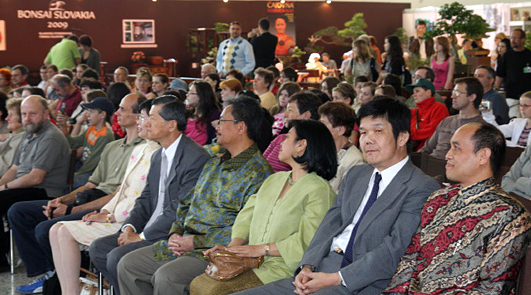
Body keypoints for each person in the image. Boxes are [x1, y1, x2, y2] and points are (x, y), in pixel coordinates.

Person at [234, 97, 439, 295]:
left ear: (402, 137)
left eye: (378, 131)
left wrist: (336, 278)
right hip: (321, 268)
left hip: (361, 281)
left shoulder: (420, 187)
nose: (368, 140)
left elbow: (394, 249)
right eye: (364, 132)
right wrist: (307, 266)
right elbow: (329, 225)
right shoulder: (357, 175)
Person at [116, 97, 274, 295]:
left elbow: (248, 229)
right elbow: (185, 203)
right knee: (129, 264)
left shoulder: (258, 173)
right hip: (182, 242)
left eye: (222, 121)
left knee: (167, 277)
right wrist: (175, 233)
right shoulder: (214, 163)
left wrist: (194, 242)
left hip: (211, 251)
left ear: (241, 127)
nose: (215, 126)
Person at [9, 93, 146, 293]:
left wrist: (72, 208)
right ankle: (48, 273)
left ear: (138, 116)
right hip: (92, 196)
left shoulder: (144, 150)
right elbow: (91, 184)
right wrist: (61, 200)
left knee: (46, 229)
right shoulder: (112, 146)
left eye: (123, 109)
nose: (116, 113)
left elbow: (119, 194)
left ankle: (64, 279)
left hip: (108, 204)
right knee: (19, 211)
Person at [190, 120, 338, 295]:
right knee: (199, 284)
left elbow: (309, 241)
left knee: (214, 290)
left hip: (282, 269)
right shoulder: (275, 179)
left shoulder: (319, 189)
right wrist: (233, 248)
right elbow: (247, 216)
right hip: (250, 261)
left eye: (287, 137)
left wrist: (260, 249)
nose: (281, 143)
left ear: (301, 145)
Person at [384, 122, 531, 294]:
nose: (447, 155)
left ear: (483, 156)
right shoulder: (438, 199)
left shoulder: (510, 216)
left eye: (456, 148)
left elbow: (494, 289)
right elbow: (410, 260)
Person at [88, 96, 210, 294]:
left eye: (152, 118)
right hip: (149, 227)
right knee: (99, 248)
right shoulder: (157, 155)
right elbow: (145, 199)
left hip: (171, 233)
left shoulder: (195, 157)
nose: (145, 123)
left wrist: (141, 236)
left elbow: (180, 208)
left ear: (171, 125)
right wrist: (129, 227)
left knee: (118, 257)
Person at [47, 99, 157, 295]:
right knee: (55, 229)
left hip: (130, 221)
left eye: (143, 117)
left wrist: (110, 217)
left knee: (63, 232)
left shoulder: (157, 153)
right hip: (116, 214)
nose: (140, 122)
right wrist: (105, 210)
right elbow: (123, 189)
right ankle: (67, 291)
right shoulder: (140, 149)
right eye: (139, 117)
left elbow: (141, 198)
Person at [0, 96, 70, 271]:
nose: (27, 118)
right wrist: (1, 184)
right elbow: (14, 169)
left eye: (32, 114)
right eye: (24, 114)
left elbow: (36, 177)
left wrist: (5, 187)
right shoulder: (29, 135)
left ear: (46, 114)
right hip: (25, 187)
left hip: (44, 191)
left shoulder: (50, 137)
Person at [420, 77, 485, 159]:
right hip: (430, 164)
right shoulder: (447, 121)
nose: (452, 96)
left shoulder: (481, 127)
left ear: (472, 97)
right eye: (453, 92)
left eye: (457, 93)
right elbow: (427, 148)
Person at [263, 92, 322, 172]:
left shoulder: (311, 145)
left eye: (290, 110)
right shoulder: (280, 138)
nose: (285, 114)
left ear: (306, 115)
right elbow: (261, 163)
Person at [66, 97, 115, 188]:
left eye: (92, 112)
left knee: (63, 181)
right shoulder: (92, 129)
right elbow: (73, 143)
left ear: (102, 115)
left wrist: (74, 175)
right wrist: (64, 129)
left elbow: (93, 163)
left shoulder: (105, 135)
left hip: (93, 174)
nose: (88, 115)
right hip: (84, 167)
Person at [318, 101, 364, 192]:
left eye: (323, 124)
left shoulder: (355, 160)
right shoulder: (321, 150)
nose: (318, 128)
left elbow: (345, 197)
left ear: (341, 130)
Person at [406, 79, 449, 151]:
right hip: (412, 152)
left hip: (429, 154)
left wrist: (408, 133)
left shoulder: (439, 108)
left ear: (428, 92)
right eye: (413, 92)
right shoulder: (413, 111)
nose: (414, 95)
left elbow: (433, 132)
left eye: (417, 91)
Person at [496, 29, 531, 102]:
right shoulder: (506, 56)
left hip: (528, 96)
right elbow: (500, 75)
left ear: (522, 40)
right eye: (511, 38)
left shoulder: (529, 55)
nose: (512, 40)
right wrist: (496, 92)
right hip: (511, 96)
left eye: (515, 38)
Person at [184, 81, 221, 145]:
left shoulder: (214, 116)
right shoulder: (186, 113)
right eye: (188, 92)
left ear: (201, 96)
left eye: (191, 93)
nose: (187, 95)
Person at [0, 98, 24, 176]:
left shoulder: (20, 138)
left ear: (22, 117)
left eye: (11, 115)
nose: (7, 118)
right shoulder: (15, 136)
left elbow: (4, 167)